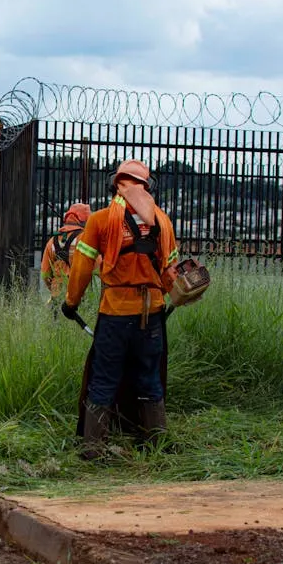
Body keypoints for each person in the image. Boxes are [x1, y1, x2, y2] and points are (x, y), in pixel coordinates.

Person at [60, 160, 179, 460]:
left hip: (114, 315)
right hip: (151, 316)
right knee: (149, 378)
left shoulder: (101, 221)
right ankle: (155, 443)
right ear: (146, 187)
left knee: (103, 378)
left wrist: (71, 303)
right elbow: (171, 273)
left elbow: (82, 270)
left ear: (116, 185)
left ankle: (93, 450)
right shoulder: (163, 222)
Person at [40, 203, 91, 302]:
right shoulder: (86, 238)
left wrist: (53, 289)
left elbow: (45, 273)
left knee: (57, 317)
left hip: (57, 295)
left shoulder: (52, 241)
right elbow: (96, 269)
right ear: (85, 220)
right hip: (80, 295)